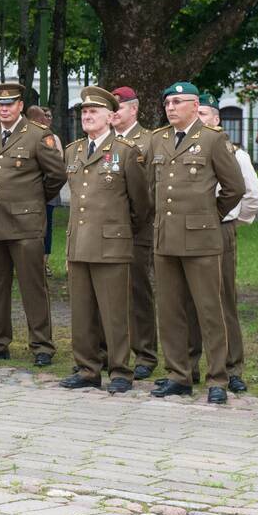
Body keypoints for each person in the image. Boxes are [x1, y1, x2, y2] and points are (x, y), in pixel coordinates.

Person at [149, 82, 244, 405]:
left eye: (177, 102)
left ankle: (218, 377)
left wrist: (210, 215)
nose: (170, 107)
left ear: (194, 105)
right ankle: (179, 374)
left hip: (202, 237)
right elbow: (152, 187)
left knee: (209, 310)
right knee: (171, 310)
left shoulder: (212, 139)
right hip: (166, 237)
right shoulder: (158, 140)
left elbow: (234, 188)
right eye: (167, 102)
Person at [57, 87, 151, 394]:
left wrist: (120, 231)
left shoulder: (125, 152)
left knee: (114, 312)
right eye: (84, 112)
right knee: (82, 313)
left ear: (110, 117)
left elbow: (141, 205)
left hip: (112, 244)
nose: (86, 116)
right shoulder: (72, 151)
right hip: (79, 244)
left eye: (93, 112)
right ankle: (87, 368)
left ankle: (121, 369)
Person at [0, 82, 66, 367]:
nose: (4, 108)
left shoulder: (38, 135)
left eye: (9, 104)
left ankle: (42, 345)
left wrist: (34, 200)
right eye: (0, 104)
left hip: (26, 224)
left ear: (20, 106)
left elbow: (56, 175)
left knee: (32, 287)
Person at [181, 94, 258, 393]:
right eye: (196, 112)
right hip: (189, 232)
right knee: (189, 300)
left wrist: (230, 220)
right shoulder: (183, 149)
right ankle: (188, 366)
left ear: (216, 119)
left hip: (219, 229)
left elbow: (253, 196)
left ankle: (231, 367)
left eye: (204, 113)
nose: (199, 118)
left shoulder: (234, 153)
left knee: (222, 299)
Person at [110, 86, 158, 379]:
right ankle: (111, 350)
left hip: (137, 227)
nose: (114, 112)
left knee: (138, 290)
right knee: (108, 292)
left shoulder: (149, 141)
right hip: (107, 230)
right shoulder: (105, 140)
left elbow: (148, 188)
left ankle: (145, 353)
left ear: (134, 109)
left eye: (119, 107)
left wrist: (135, 221)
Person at [28, 105, 62, 278]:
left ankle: (44, 263)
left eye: (48, 116)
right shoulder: (24, 136)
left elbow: (57, 167)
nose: (46, 119)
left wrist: (46, 193)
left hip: (47, 192)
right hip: (28, 195)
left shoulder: (51, 137)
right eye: (43, 116)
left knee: (46, 228)